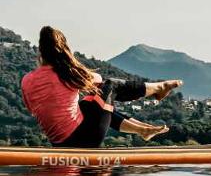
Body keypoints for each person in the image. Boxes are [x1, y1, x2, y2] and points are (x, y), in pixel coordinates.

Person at [22, 26, 182, 148]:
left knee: (88, 104)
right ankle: (159, 88)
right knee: (110, 85)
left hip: (59, 144)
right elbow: (98, 79)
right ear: (64, 52)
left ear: (40, 53)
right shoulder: (67, 74)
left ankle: (143, 130)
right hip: (83, 140)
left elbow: (33, 109)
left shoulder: (26, 80)